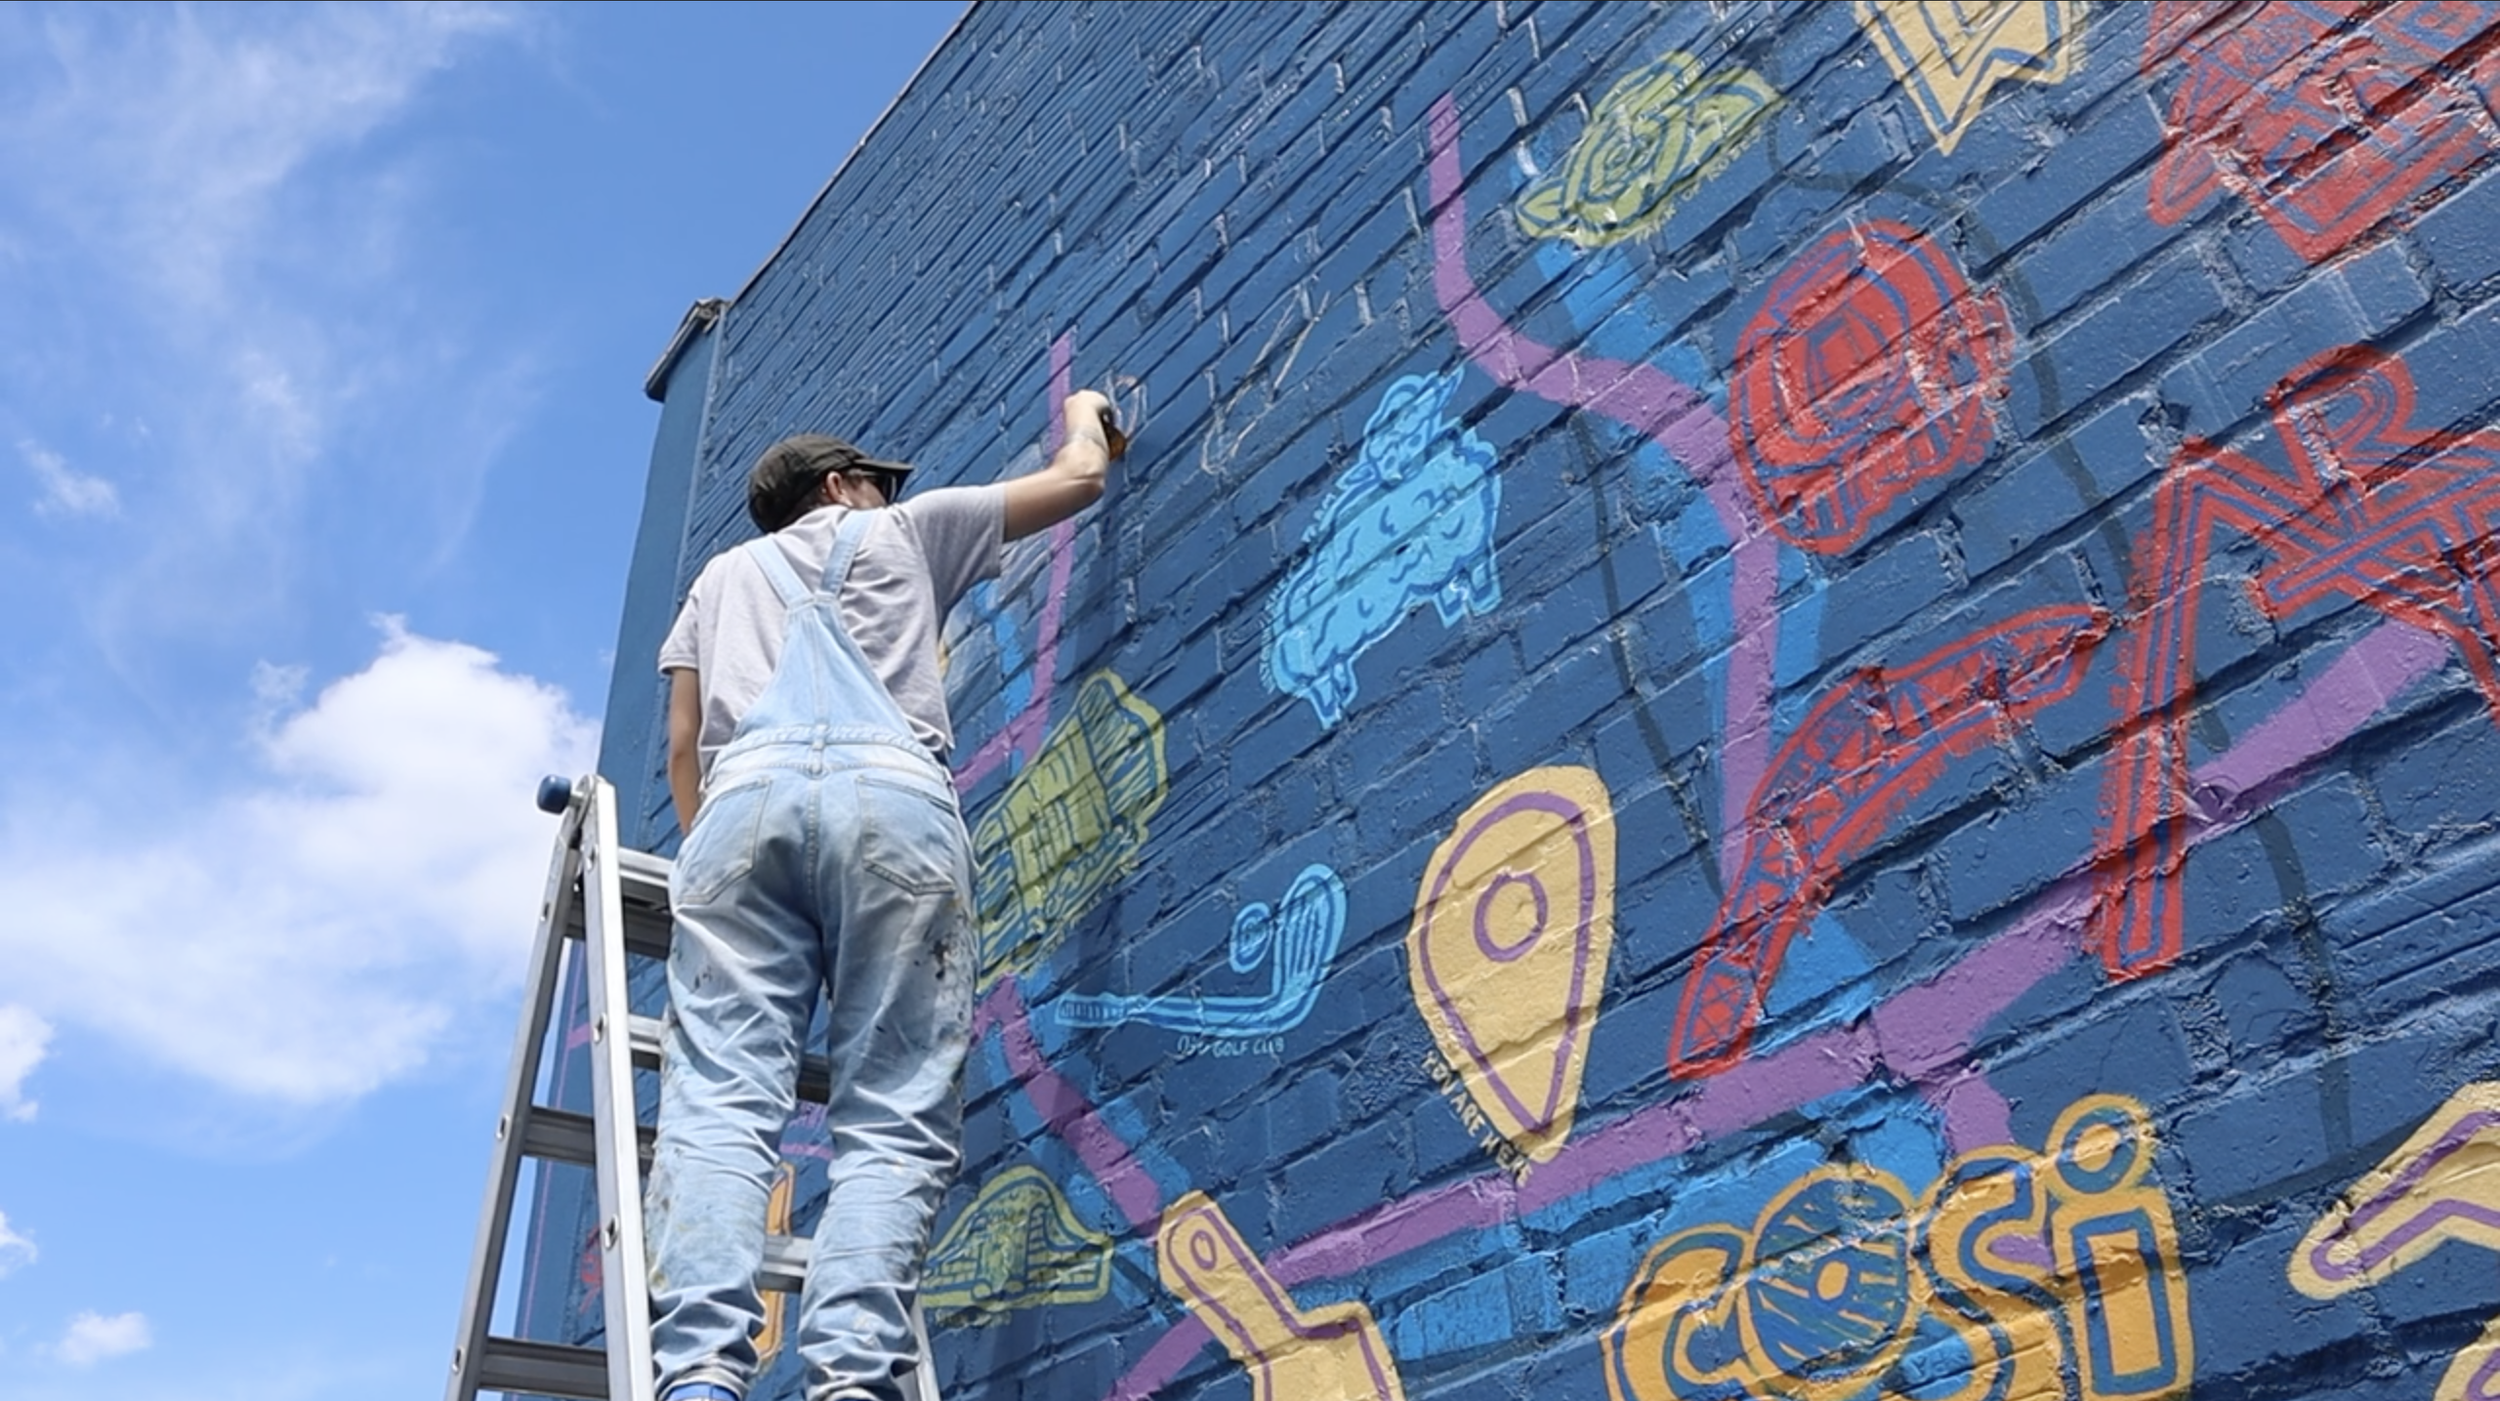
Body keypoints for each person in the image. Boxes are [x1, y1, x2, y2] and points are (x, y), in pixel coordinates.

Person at [646, 391, 1120, 1401]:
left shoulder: (716, 582)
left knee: (721, 1104)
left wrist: (717, 860)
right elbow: (1080, 480)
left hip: (737, 810)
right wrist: (1089, 412)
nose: (882, 492)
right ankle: (852, 1384)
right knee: (890, 1112)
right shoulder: (908, 528)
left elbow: (682, 743)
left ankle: (695, 1379)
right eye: (871, 479)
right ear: (837, 486)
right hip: (891, 800)